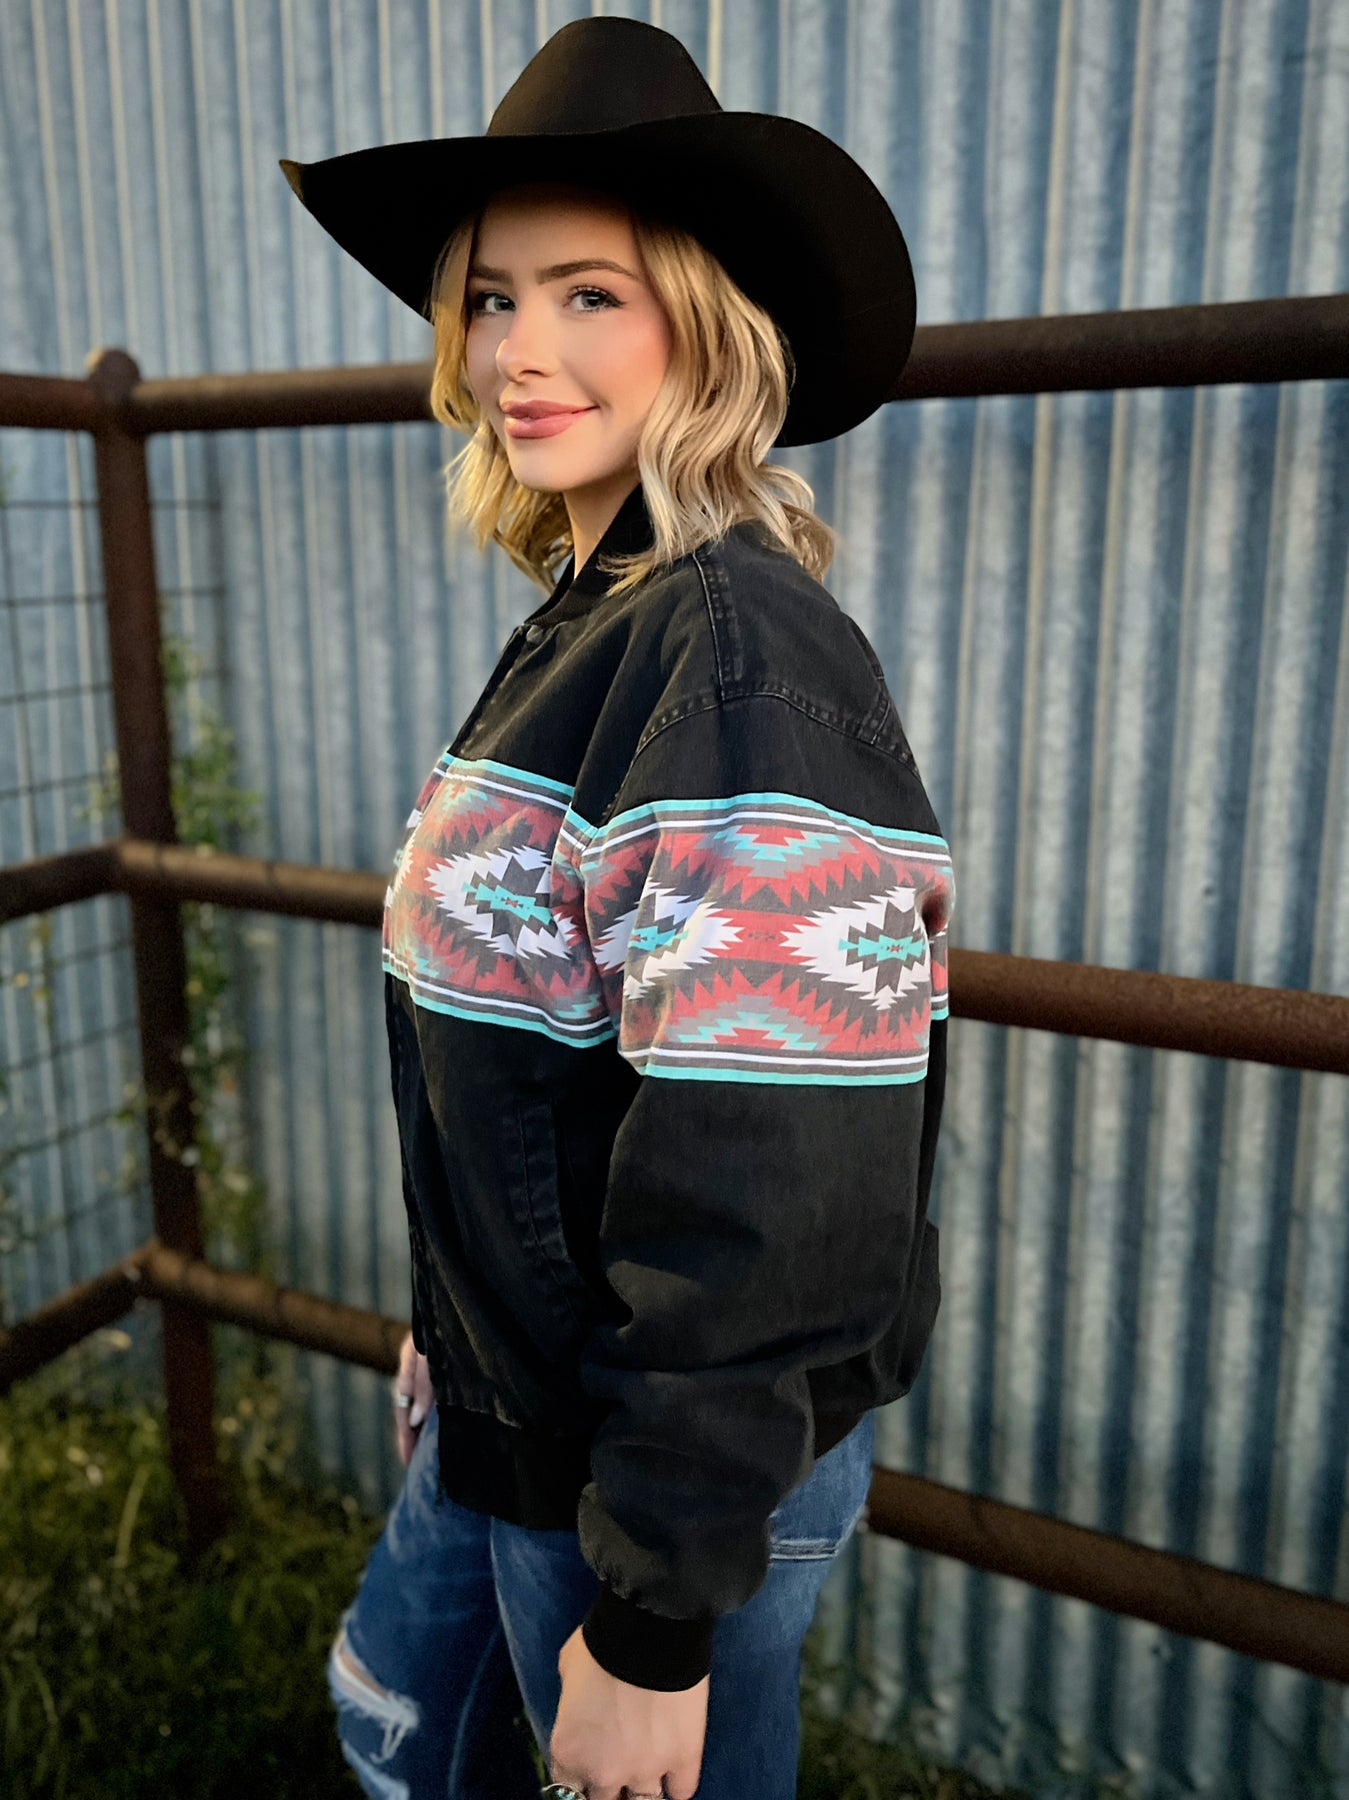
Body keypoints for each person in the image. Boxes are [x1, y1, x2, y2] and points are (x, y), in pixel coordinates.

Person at [281, 17, 954, 1800]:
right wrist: (456, 1315)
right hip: (522, 1404)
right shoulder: (602, 615)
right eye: (492, 298)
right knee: (397, 1733)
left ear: (706, 328)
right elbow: (542, 1047)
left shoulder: (725, 654)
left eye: (590, 295)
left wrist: (654, 1623)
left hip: (645, 1485)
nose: (519, 351)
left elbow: (771, 1171)